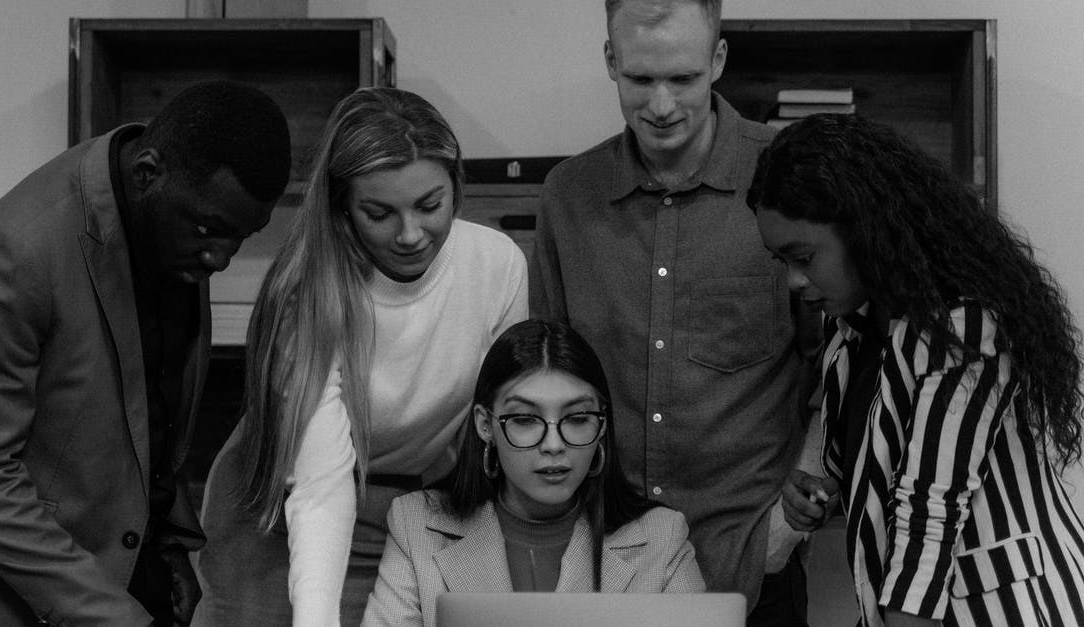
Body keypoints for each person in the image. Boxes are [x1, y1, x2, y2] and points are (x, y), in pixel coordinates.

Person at [0, 81, 291, 626]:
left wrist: (165, 545)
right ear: (148, 173)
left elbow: (144, 410)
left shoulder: (176, 227)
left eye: (242, 237)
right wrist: (108, 614)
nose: (221, 258)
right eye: (210, 230)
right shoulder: (15, 249)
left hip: (109, 585)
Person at [192, 86, 528, 626]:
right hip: (277, 509)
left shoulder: (498, 266)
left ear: (456, 186)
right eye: (380, 213)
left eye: (430, 205)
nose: (412, 235)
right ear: (342, 206)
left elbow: (507, 431)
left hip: (409, 507)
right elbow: (321, 487)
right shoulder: (309, 291)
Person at [530, 0, 818, 621]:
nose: (661, 105)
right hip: (605, 570)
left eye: (683, 79)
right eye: (639, 80)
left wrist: (783, 534)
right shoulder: (567, 198)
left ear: (717, 60)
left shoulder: (789, 180)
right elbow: (545, 381)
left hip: (749, 563)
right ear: (611, 61)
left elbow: (838, 368)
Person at [751, 113, 1084, 626]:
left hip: (1000, 609)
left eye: (804, 257)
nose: (795, 281)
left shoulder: (962, 328)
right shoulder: (854, 329)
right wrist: (824, 489)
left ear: (865, 228)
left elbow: (932, 510)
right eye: (782, 262)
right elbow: (886, 461)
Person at [361, 319, 705, 626]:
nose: (554, 444)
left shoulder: (662, 537)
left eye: (577, 419)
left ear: (601, 426)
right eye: (525, 420)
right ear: (485, 425)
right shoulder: (416, 525)